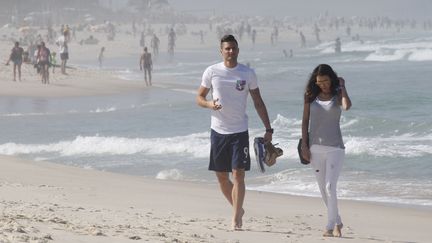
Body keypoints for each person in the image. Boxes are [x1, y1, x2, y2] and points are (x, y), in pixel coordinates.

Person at [196, 35, 273, 231]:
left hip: (239, 131)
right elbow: (199, 97)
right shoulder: (212, 71)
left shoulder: (247, 73)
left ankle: (236, 218)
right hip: (218, 131)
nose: (230, 51)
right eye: (227, 48)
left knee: (238, 175)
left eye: (233, 48)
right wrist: (209, 104)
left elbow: (258, 101)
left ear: (238, 50)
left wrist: (268, 128)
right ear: (221, 51)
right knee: (222, 177)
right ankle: (238, 208)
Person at [301, 64, 352, 237]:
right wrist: (304, 146)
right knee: (323, 189)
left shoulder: (338, 96)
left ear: (331, 78)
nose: (322, 84)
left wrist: (343, 87)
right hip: (315, 148)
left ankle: (330, 227)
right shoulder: (310, 96)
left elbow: (347, 106)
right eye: (319, 82)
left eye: (325, 81)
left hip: (335, 148)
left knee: (330, 186)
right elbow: (305, 121)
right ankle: (338, 221)